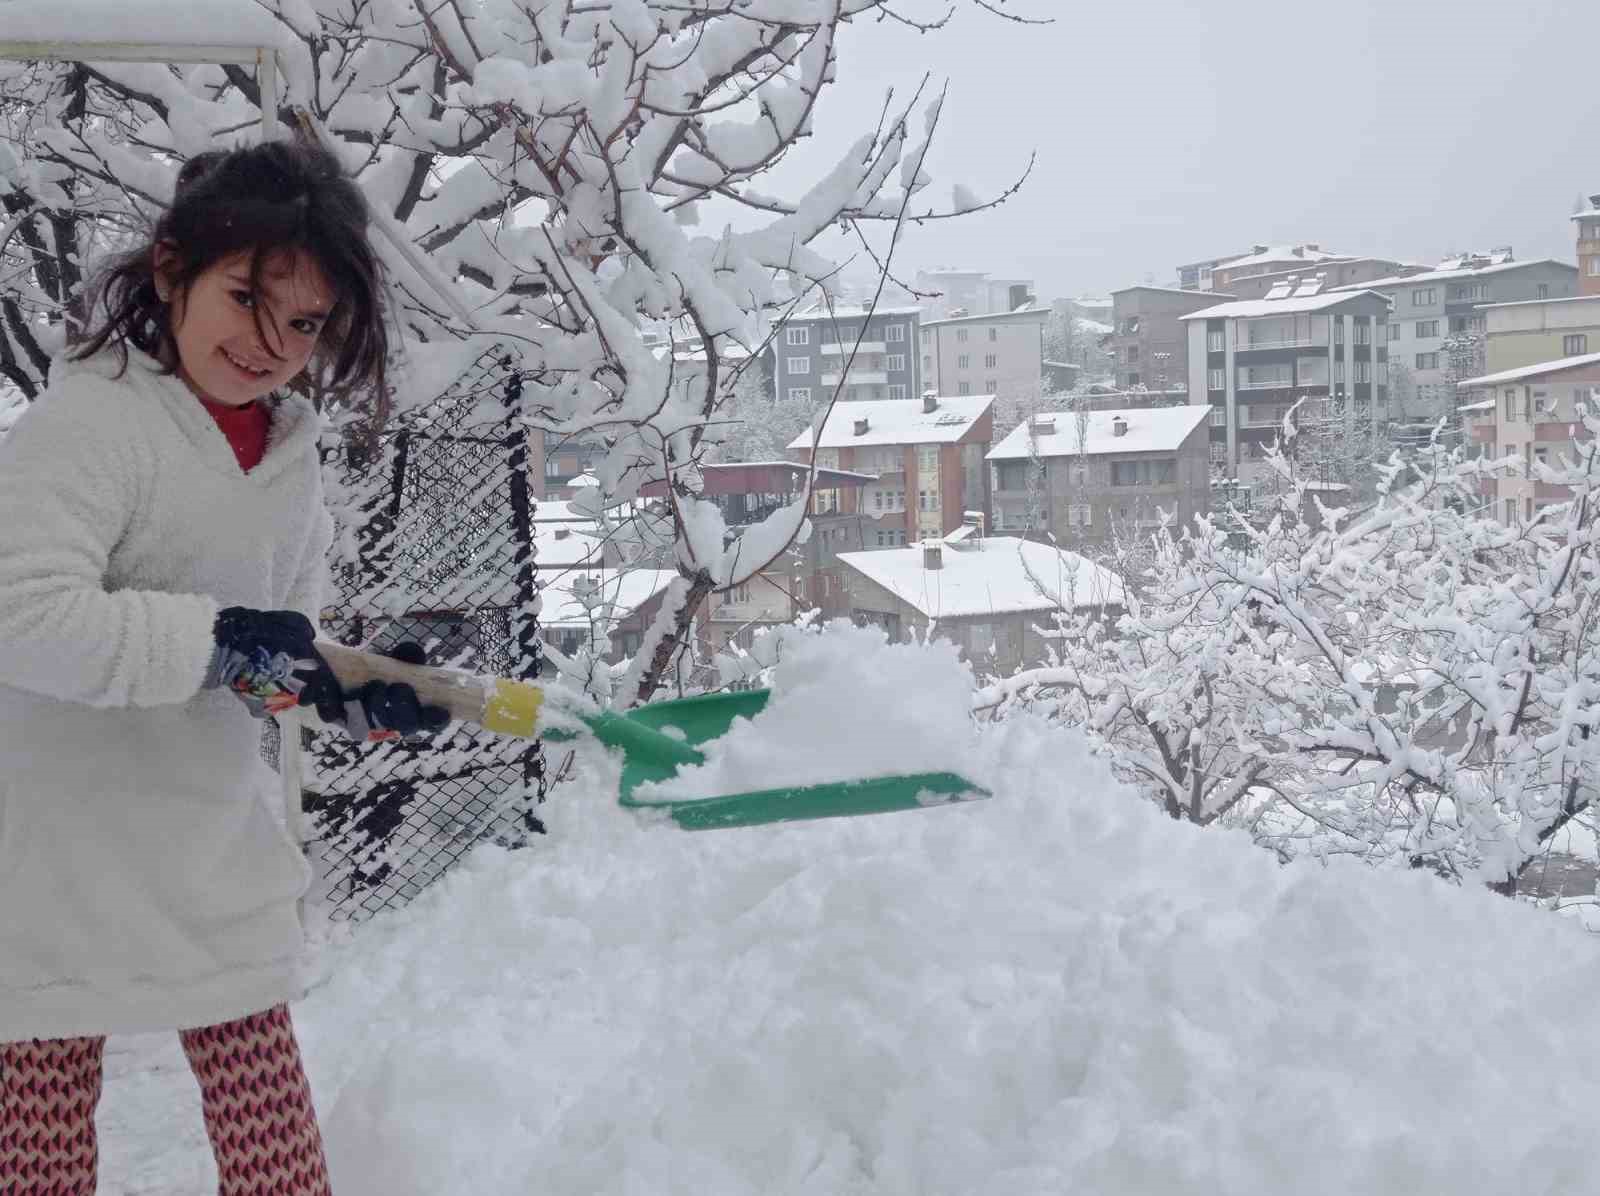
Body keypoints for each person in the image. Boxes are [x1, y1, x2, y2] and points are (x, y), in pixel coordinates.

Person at [0, 139, 447, 1193]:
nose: (268, 344)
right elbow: (21, 613)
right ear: (172, 269)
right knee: (41, 1154)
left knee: (276, 1154)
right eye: (245, 298)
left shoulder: (287, 455)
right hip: (54, 853)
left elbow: (270, 644)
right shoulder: (88, 424)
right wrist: (215, 642)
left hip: (208, 843)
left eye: (304, 323)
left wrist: (342, 688)